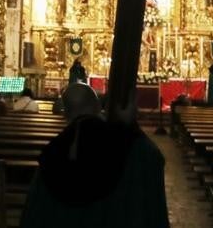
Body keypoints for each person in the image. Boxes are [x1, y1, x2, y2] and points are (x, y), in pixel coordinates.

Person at [21, 84, 169, 227]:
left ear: (65, 113)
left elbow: (35, 212)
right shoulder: (121, 143)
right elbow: (153, 161)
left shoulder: (52, 151)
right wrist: (131, 127)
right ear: (99, 107)